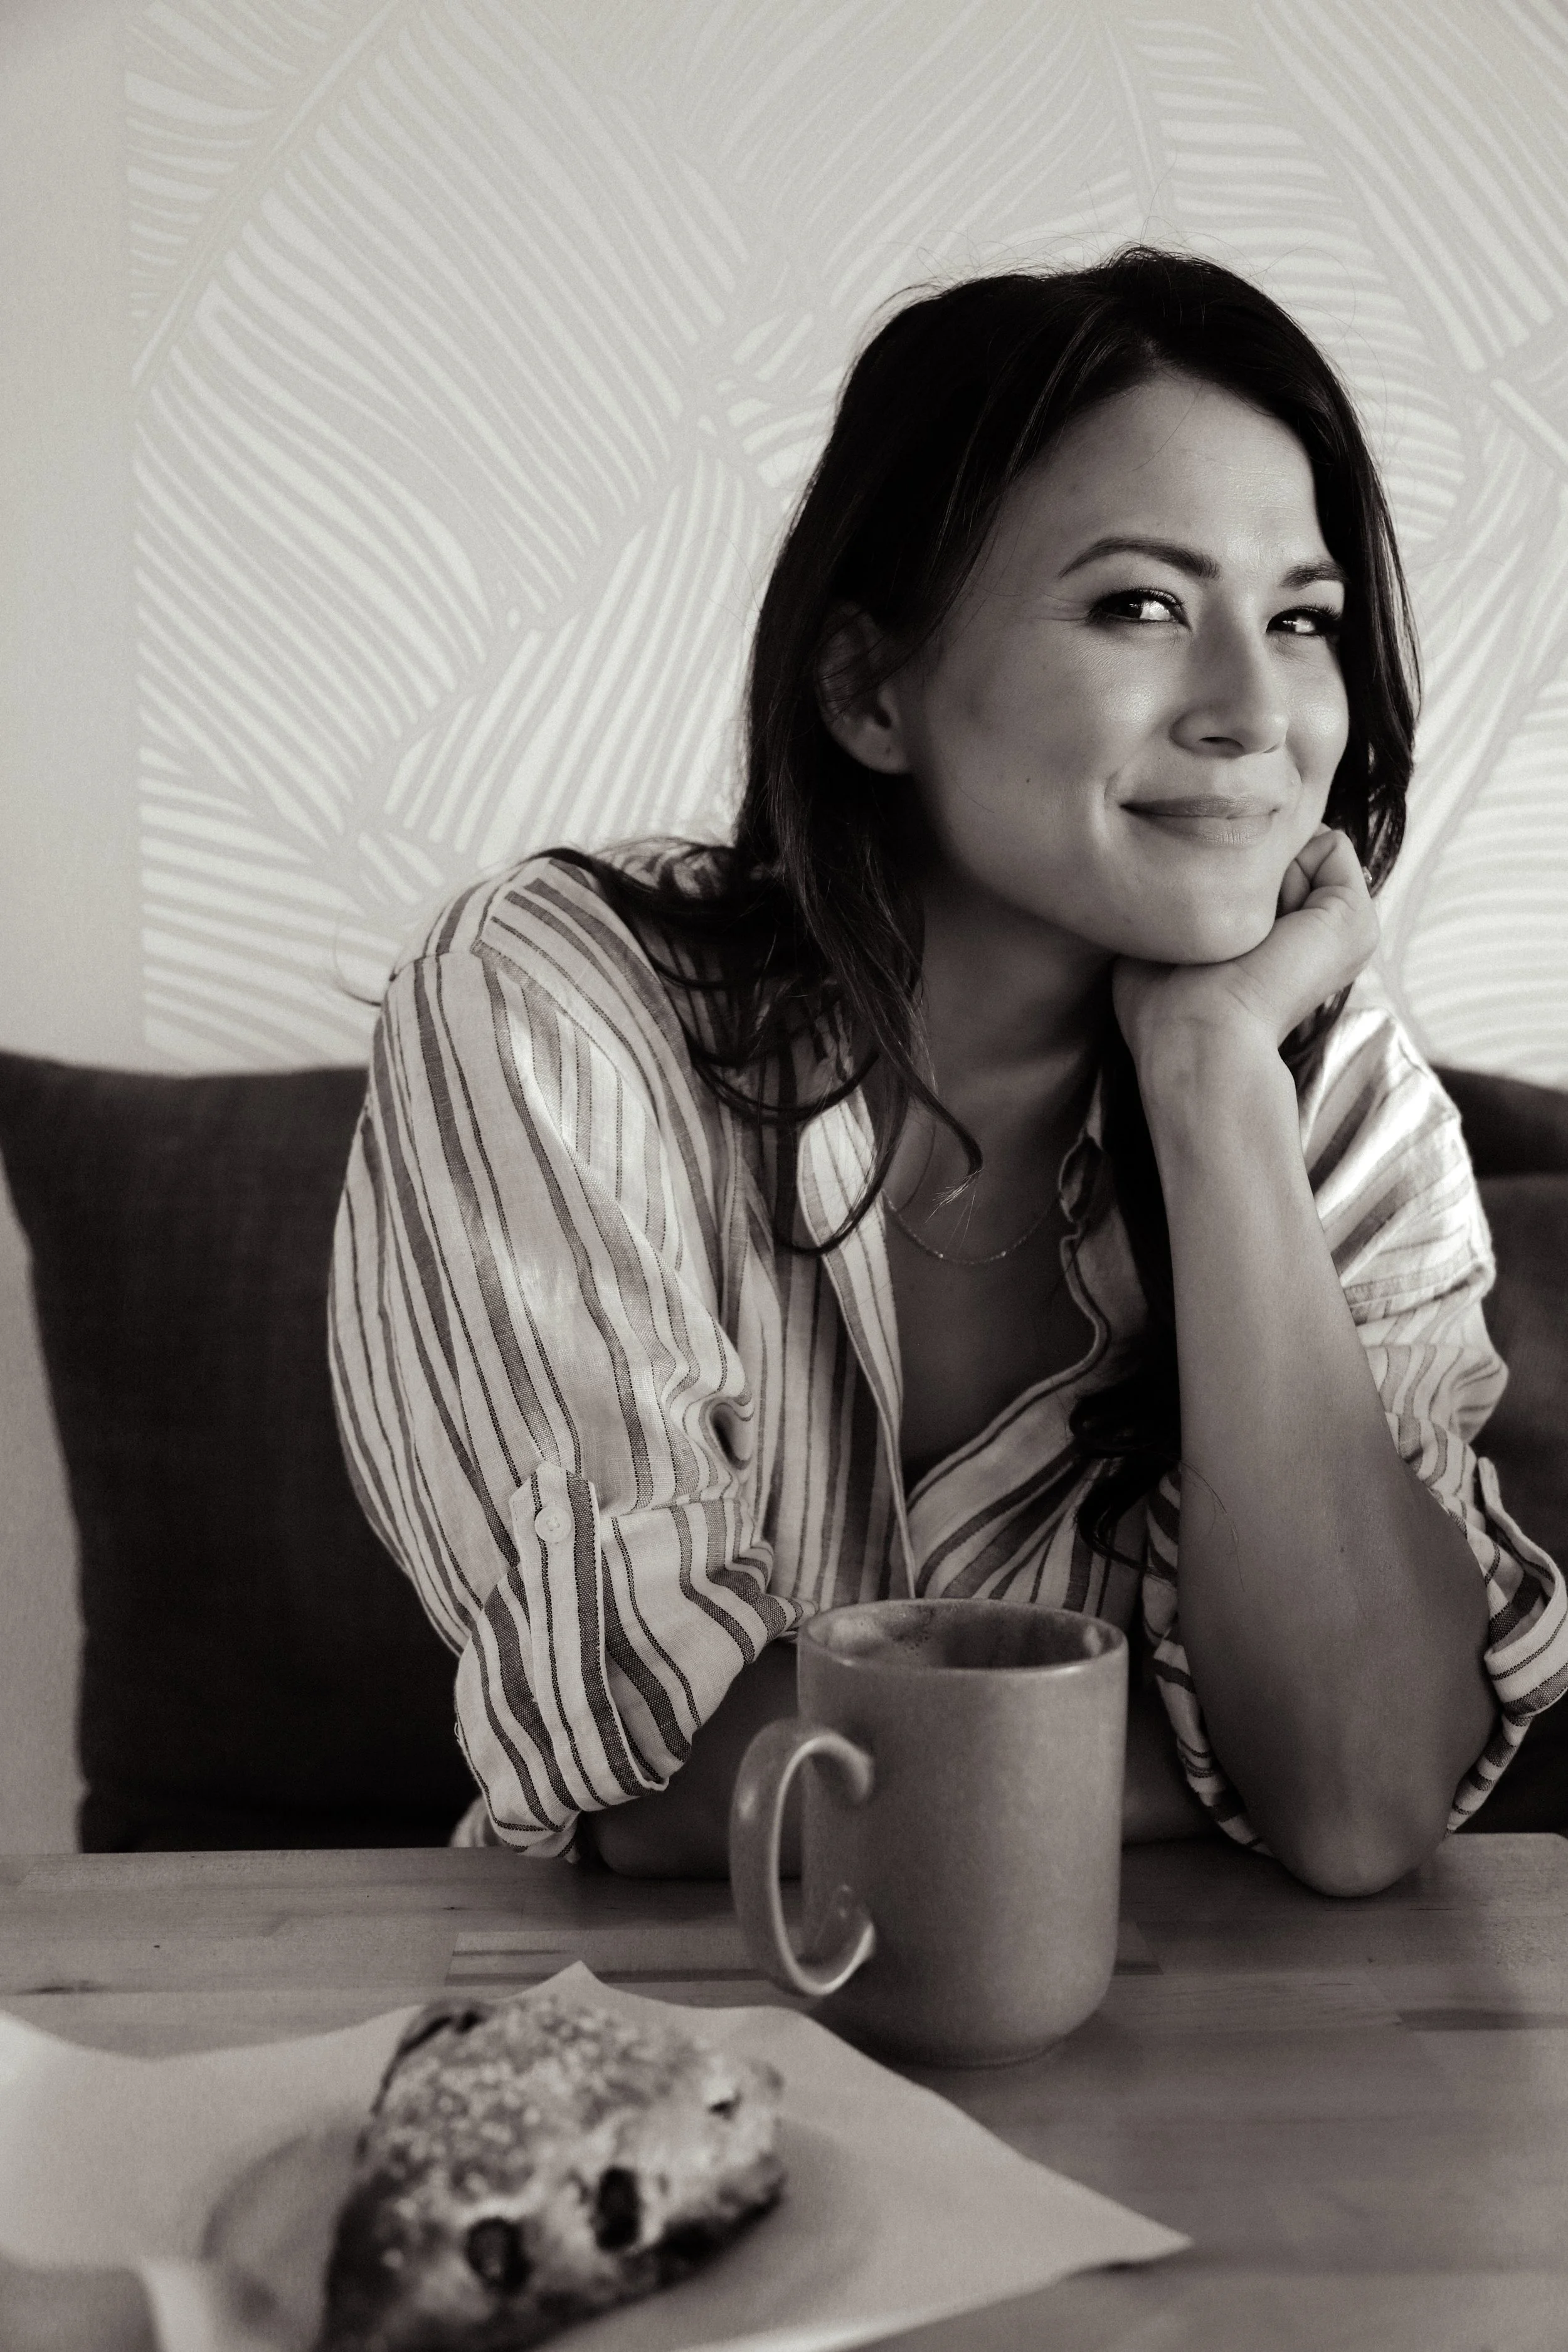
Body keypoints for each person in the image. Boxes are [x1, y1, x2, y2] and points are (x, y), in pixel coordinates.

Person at [329, 248, 1567, 1897]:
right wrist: (1223, 1767)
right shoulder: (555, 998)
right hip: (673, 2040)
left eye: (1300, 618)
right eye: (1137, 604)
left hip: (1193, 2081)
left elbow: (1351, 1803)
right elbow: (673, 1781)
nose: (1253, 710)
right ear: (867, 688)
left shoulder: (1323, 1089)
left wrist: (1209, 1086)